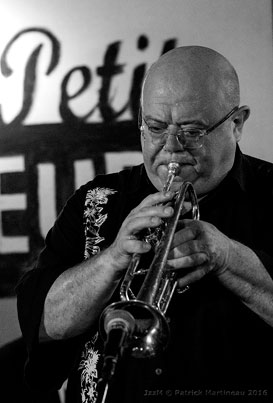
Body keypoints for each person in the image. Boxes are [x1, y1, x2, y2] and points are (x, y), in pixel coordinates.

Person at [16, 46, 273, 403]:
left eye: (192, 131)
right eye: (155, 127)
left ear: (237, 123)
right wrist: (113, 258)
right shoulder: (97, 201)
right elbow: (47, 324)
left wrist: (228, 258)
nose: (170, 148)